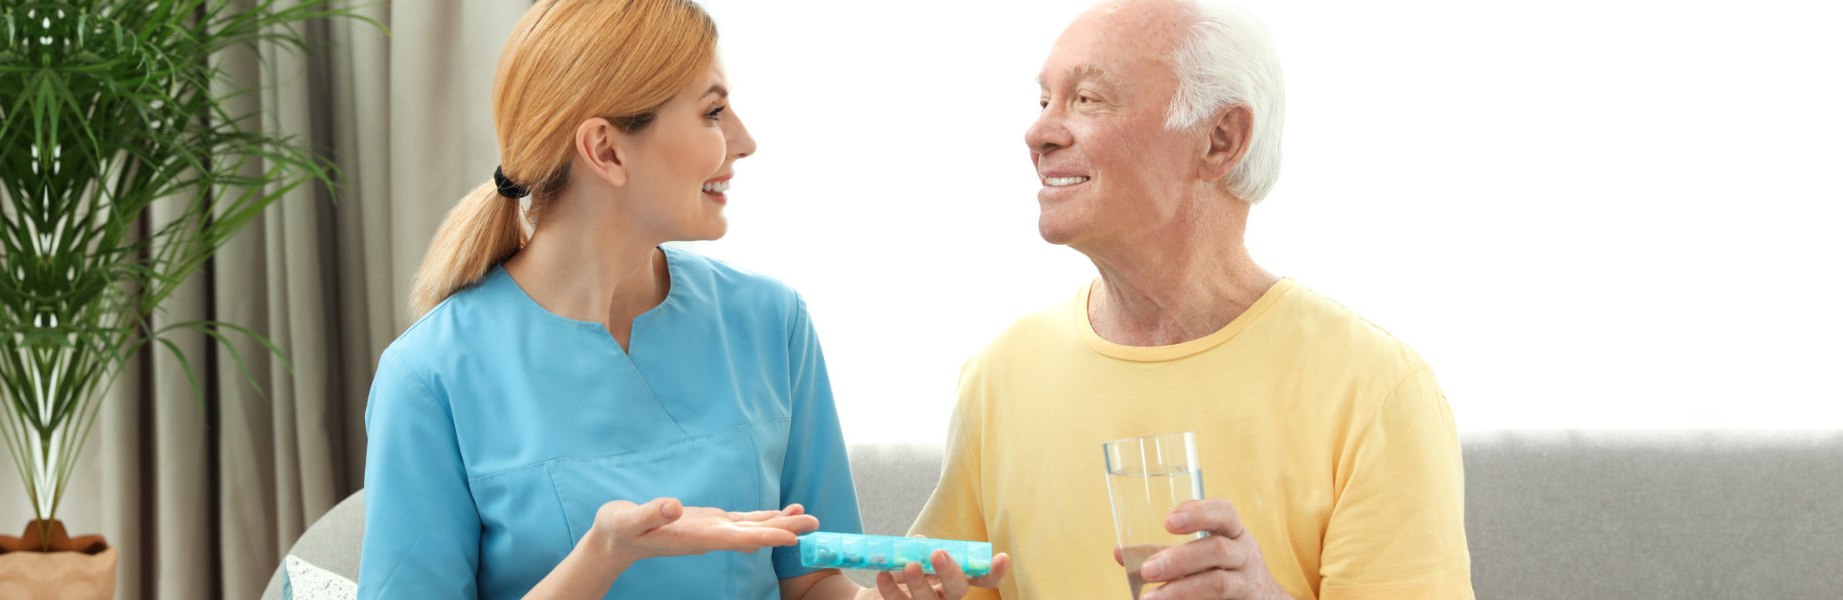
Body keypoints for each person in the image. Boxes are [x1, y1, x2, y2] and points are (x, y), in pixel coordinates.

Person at [356, 1, 1008, 599]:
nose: (744, 142)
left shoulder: (770, 322)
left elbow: (811, 583)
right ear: (605, 148)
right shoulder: (431, 375)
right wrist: (601, 556)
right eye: (713, 113)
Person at [906, 1, 1474, 599]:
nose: (1038, 132)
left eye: (1089, 98)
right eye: (1044, 99)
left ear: (1219, 140)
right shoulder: (1000, 374)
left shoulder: (1375, 389)